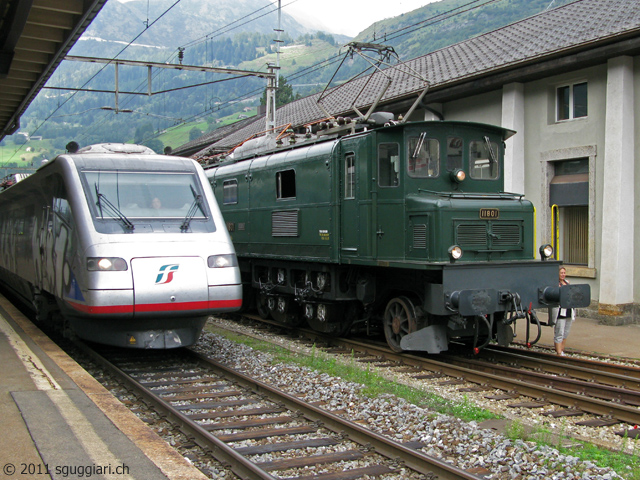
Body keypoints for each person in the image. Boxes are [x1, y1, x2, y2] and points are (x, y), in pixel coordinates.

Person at [551, 266, 575, 356]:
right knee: (559, 331)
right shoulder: (555, 284)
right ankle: (559, 352)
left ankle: (562, 349)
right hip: (560, 311)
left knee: (566, 332)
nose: (563, 275)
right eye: (561, 273)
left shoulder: (567, 283)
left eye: (564, 273)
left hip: (568, 310)